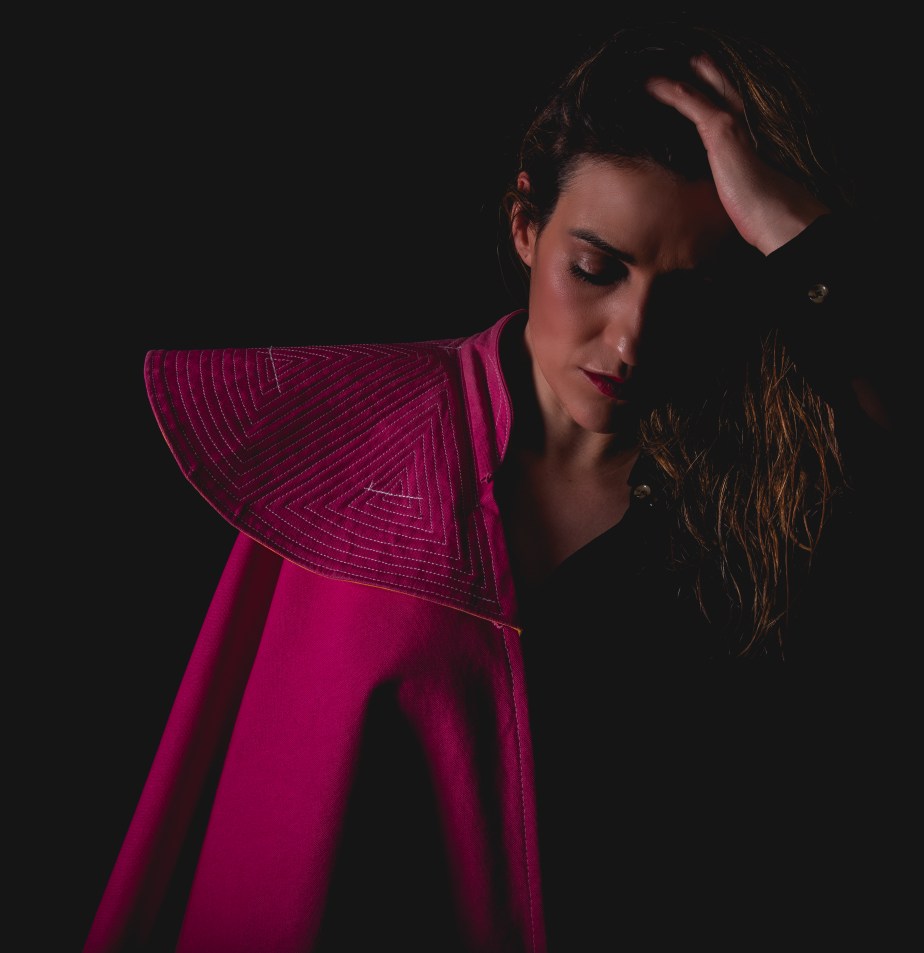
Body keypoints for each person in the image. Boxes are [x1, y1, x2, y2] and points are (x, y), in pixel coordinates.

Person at [83, 17, 906, 953]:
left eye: (691, 291)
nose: (632, 338)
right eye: (595, 268)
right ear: (525, 226)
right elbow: (260, 801)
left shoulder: (768, 503)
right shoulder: (358, 444)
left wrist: (797, 234)